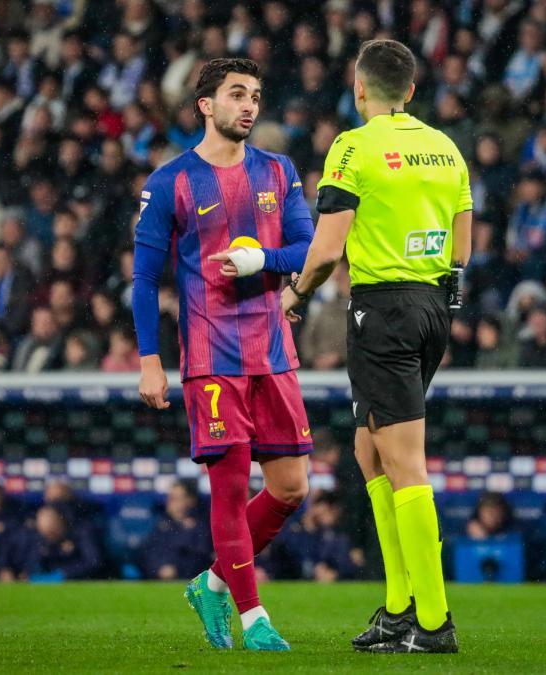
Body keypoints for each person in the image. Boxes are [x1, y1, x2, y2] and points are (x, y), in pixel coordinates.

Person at [281, 39, 472, 653]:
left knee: (405, 459)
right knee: (369, 450)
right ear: (411, 91)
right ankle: (396, 607)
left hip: (383, 310)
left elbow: (328, 249)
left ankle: (435, 621)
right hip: (433, 306)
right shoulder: (445, 148)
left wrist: (297, 294)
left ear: (359, 89)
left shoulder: (352, 146)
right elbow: (463, 242)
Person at [133, 57, 313, 652]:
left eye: (256, 95)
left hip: (273, 351)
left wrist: (263, 261)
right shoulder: (170, 182)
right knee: (230, 494)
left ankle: (212, 583)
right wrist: (149, 358)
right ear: (206, 105)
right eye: (237, 94)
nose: (250, 106)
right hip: (211, 358)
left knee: (290, 488)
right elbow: (143, 280)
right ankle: (255, 618)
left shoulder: (280, 170)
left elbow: (308, 250)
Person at [138, 480, 213, 580]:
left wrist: (176, 569)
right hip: (156, 580)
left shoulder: (201, 527)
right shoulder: (161, 524)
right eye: (169, 498)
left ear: (190, 500)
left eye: (174, 499)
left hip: (188, 582)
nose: (169, 503)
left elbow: (202, 558)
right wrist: (158, 569)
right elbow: (148, 553)